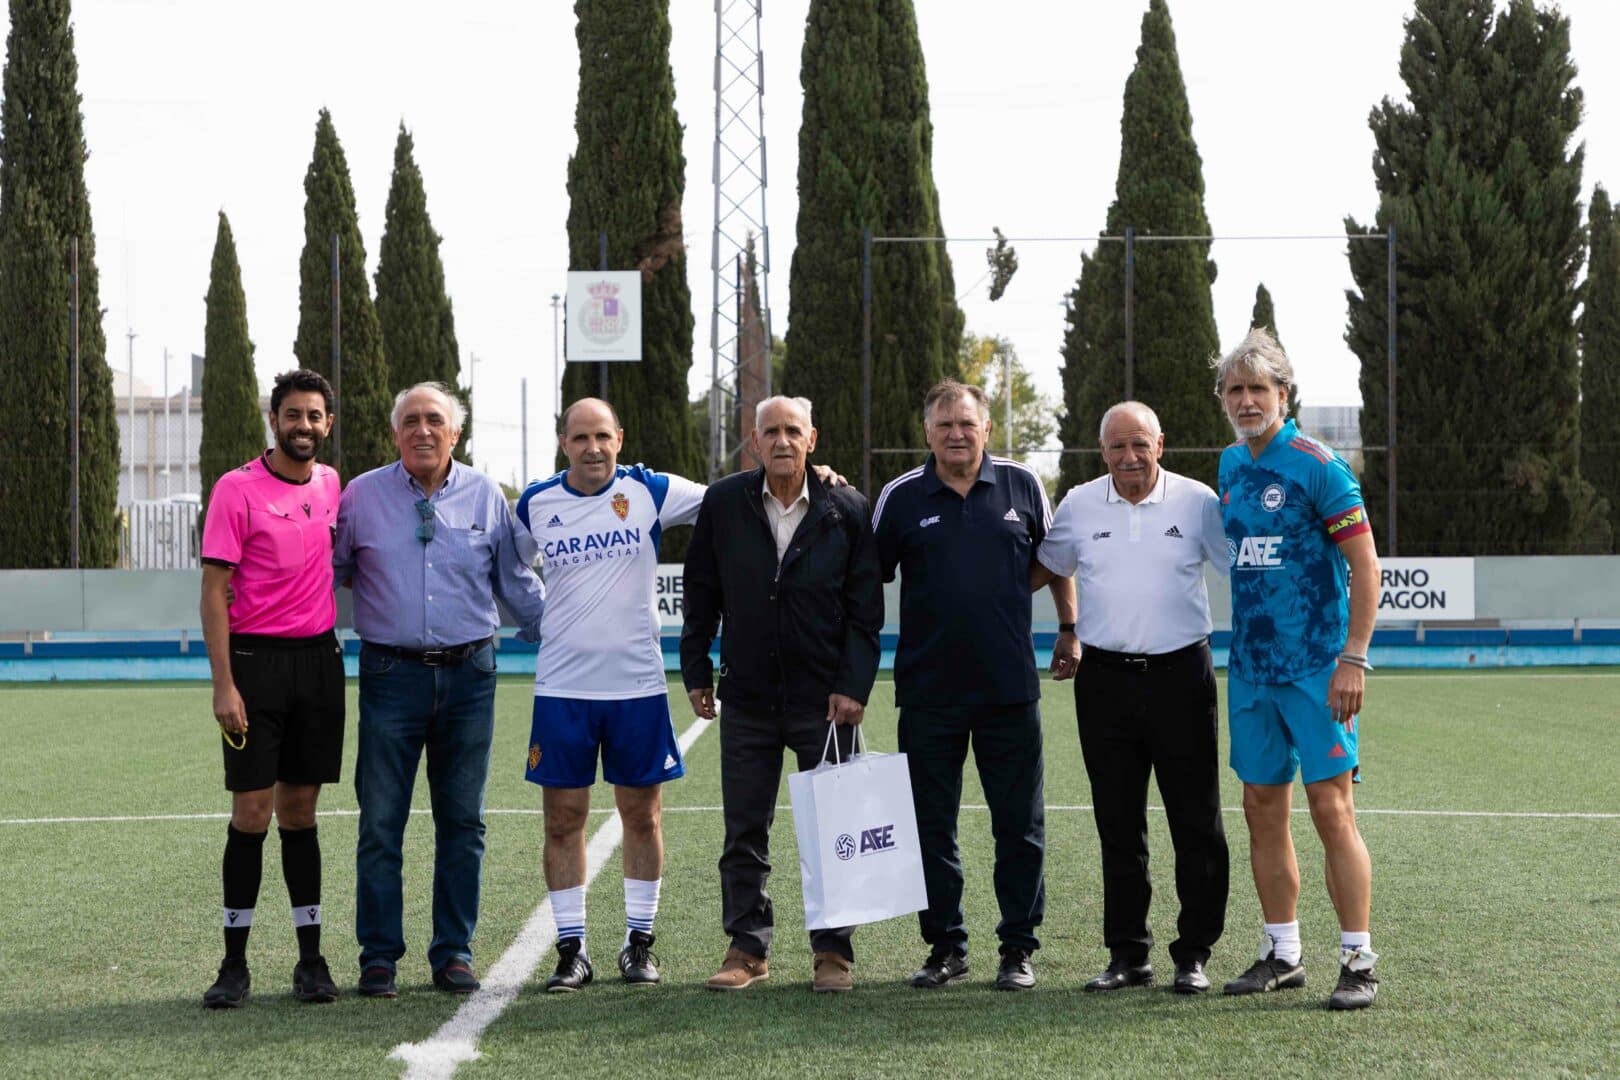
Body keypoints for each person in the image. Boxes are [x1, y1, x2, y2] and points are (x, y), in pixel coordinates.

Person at [334, 381, 547, 999]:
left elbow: (516, 581)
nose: (422, 431)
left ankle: (453, 952)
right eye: (410, 422)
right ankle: (379, 958)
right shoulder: (361, 497)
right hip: (388, 675)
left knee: (464, 821)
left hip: (470, 677)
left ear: (456, 432)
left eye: (435, 421)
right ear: (394, 433)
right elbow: (328, 572)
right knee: (380, 821)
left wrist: (565, 633)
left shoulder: (486, 494)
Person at [871, 379, 1076, 992]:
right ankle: (946, 946)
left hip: (1009, 687)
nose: (957, 434)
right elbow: (867, 574)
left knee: (1019, 823)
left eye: (967, 424)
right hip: (928, 691)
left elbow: (1057, 557)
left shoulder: (1022, 484)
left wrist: (1069, 627)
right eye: (945, 425)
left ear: (987, 429)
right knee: (931, 825)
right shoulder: (900, 497)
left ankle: (1018, 948)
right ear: (927, 432)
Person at [680, 395, 883, 994]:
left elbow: (865, 612)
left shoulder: (847, 508)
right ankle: (748, 948)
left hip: (825, 704)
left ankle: (833, 953)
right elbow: (701, 595)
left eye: (793, 430)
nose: (782, 441)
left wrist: (852, 686)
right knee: (744, 831)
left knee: (833, 830)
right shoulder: (723, 504)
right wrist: (696, 670)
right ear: (753, 441)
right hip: (746, 697)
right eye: (771, 431)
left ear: (812, 438)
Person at [1030, 401, 1230, 995]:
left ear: (1160, 445)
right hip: (1105, 683)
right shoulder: (1079, 504)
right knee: (1118, 825)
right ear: (1103, 453)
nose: (1129, 457)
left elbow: (1245, 569)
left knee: (1197, 823)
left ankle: (1193, 952)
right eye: (1117, 446)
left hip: (1182, 678)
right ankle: (1128, 954)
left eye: (1139, 444)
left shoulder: (1199, 503)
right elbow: (1041, 568)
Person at [1212, 328, 1383, 1011]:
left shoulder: (1318, 466)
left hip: (1318, 668)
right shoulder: (1229, 465)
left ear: (1283, 395)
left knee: (1331, 808)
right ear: (1223, 399)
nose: (1247, 400)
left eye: (1259, 389)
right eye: (1235, 390)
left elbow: (1366, 568)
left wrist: (1354, 659)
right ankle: (1282, 953)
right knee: (1260, 808)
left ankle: (1358, 958)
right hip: (1250, 669)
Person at [513, 398, 705, 992]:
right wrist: (536, 617)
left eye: (603, 436)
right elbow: (509, 566)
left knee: (641, 816)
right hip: (563, 688)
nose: (592, 447)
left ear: (619, 438)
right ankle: (572, 950)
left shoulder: (650, 490)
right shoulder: (535, 503)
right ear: (563, 442)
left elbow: (733, 496)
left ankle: (639, 945)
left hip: (637, 686)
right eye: (580, 437)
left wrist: (812, 473)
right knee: (563, 819)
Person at [198, 368, 343, 1008]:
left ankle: (311, 961)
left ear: (327, 424)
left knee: (302, 815)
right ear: (274, 419)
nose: (303, 426)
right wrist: (224, 684)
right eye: (293, 415)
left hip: (318, 665)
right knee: (251, 815)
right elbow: (212, 593)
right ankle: (234, 965)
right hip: (254, 667)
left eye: (314, 416)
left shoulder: (334, 484)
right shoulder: (236, 489)